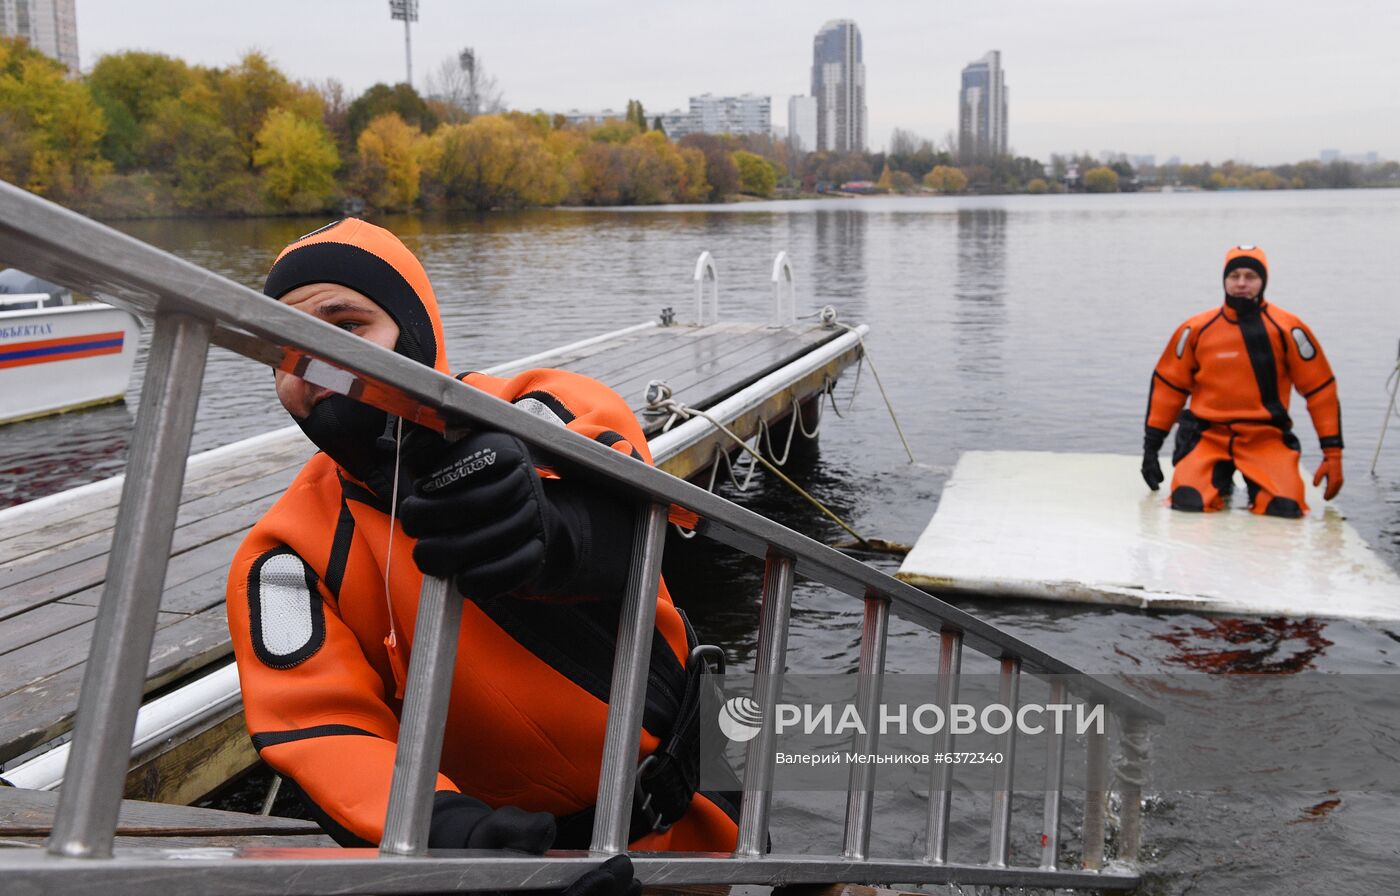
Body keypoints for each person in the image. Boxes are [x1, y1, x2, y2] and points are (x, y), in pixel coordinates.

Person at [225, 219, 739, 864]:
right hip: (502, 862)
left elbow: (629, 507)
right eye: (284, 349)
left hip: (700, 808)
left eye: (347, 328)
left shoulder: (546, 407)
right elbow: (318, 724)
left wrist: (553, 530)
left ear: (415, 334)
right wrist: (444, 828)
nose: (311, 366)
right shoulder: (281, 556)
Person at [1140, 245, 1343, 517]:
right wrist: (1151, 449)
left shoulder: (1287, 329)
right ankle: (1218, 482)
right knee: (1188, 503)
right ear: (1224, 280)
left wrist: (1333, 455)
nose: (1241, 283)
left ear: (1263, 281)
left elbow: (1320, 390)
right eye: (1234, 275)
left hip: (1265, 438)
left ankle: (1254, 485)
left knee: (1284, 509)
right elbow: (1169, 387)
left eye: (1250, 276)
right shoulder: (1196, 330)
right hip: (1208, 436)